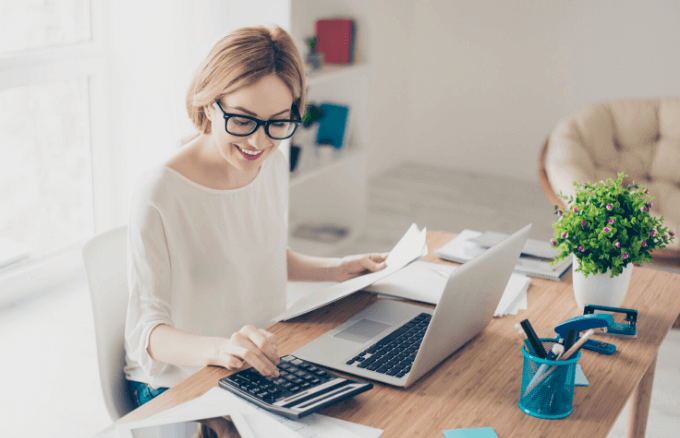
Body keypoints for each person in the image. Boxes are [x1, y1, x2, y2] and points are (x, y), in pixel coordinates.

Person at [123, 25, 388, 408]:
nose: (259, 142)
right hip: (179, 383)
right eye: (243, 120)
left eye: (278, 122)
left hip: (256, 368)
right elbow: (146, 334)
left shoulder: (271, 164)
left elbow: (261, 255)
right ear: (210, 103)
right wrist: (222, 349)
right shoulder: (160, 191)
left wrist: (338, 268)